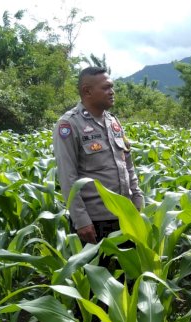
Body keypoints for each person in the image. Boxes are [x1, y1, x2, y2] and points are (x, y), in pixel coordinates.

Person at [53, 66, 144, 244]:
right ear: (87, 91)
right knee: (96, 271)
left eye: (112, 87)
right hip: (95, 221)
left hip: (125, 215)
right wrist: (81, 220)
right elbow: (67, 177)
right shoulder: (69, 124)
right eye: (106, 88)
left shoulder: (113, 122)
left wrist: (137, 197)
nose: (112, 92)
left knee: (126, 271)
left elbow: (127, 164)